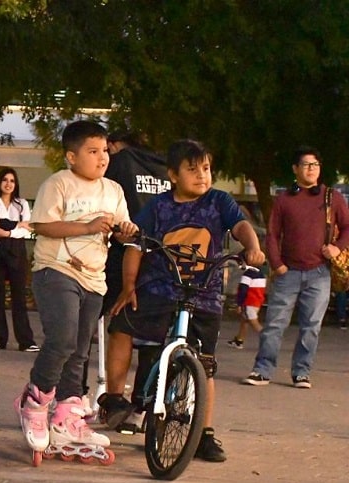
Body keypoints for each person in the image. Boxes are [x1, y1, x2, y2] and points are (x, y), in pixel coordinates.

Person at [103, 139, 265, 463]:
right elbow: (136, 245)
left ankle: (203, 434)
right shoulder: (159, 206)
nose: (202, 176)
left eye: (206, 169)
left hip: (204, 296)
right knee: (121, 326)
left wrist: (253, 246)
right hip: (159, 289)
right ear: (173, 175)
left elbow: (241, 226)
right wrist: (129, 286)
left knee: (205, 364)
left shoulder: (219, 201)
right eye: (192, 170)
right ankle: (114, 399)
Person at [14, 120, 137, 456]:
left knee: (80, 351)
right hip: (57, 271)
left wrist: (125, 230)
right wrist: (86, 226)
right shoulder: (59, 184)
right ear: (71, 156)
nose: (102, 158)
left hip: (94, 278)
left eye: (104, 151)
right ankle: (35, 401)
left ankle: (68, 416)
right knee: (63, 339)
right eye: (92, 151)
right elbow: (43, 226)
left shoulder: (113, 190)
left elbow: (122, 233)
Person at [243, 146, 349, 388]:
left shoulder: (332, 197)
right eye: (306, 164)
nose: (311, 169)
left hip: (320, 272)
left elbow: (347, 227)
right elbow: (272, 234)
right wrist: (277, 264)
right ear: (295, 169)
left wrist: (337, 248)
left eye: (315, 165)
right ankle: (262, 370)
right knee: (274, 324)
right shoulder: (284, 199)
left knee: (311, 326)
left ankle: (301, 371)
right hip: (287, 272)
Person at [100, 130, 172, 434]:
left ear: (116, 146)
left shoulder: (121, 162)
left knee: (120, 325)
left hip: (123, 256)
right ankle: (141, 406)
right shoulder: (168, 166)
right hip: (162, 261)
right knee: (153, 338)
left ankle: (114, 402)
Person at [0, 167, 39, 352]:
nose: (8, 184)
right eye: (5, 180)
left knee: (19, 297)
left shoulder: (22, 204)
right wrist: (18, 224)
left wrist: (9, 230)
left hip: (17, 250)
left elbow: (28, 228)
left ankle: (26, 340)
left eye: (12, 181)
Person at [226, 265, 266, 349]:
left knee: (253, 322)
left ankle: (268, 339)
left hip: (249, 301)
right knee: (245, 320)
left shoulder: (248, 274)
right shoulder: (260, 273)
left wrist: (239, 303)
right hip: (257, 301)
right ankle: (239, 340)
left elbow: (243, 289)